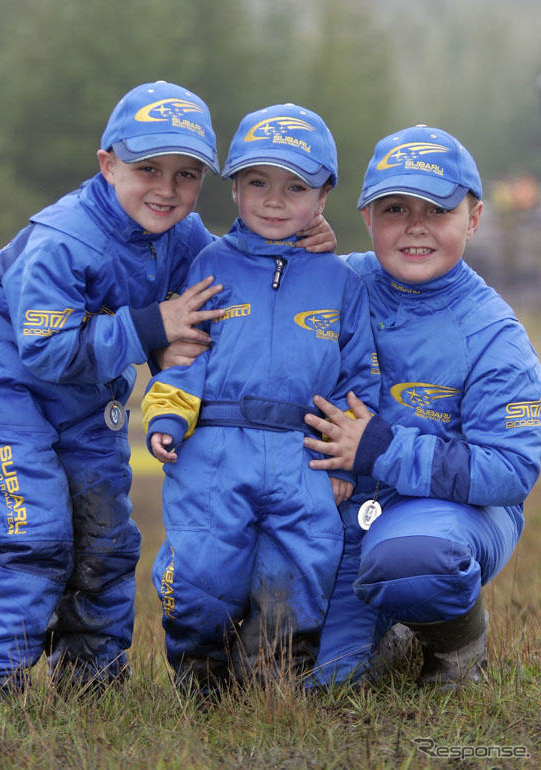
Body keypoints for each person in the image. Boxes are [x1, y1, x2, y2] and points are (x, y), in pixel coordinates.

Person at [0, 80, 335, 706]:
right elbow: (44, 349)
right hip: (5, 385)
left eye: (186, 175)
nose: (167, 188)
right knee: (33, 534)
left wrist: (300, 243)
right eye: (147, 167)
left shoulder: (183, 237)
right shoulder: (64, 239)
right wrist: (153, 330)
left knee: (108, 535)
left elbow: (234, 275)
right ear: (107, 164)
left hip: (88, 391)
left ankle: (91, 682)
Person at [141, 103, 379, 700]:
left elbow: (358, 378)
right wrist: (167, 414)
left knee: (298, 570)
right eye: (257, 183)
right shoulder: (209, 264)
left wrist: (344, 454)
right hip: (214, 451)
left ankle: (271, 681)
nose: (274, 200)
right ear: (235, 188)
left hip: (303, 455)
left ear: (324, 195)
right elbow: (185, 352)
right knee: (202, 568)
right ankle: (200, 678)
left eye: (295, 186)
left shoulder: (342, 281)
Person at [302, 124, 541, 689]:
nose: (415, 226)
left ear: (474, 217)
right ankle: (389, 634)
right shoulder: (335, 283)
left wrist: (380, 448)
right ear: (366, 217)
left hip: (443, 513)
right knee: (324, 683)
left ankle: (455, 647)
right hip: (333, 510)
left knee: (413, 560)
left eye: (436, 210)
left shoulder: (494, 336)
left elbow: (510, 471)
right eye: (394, 208)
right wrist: (286, 248)